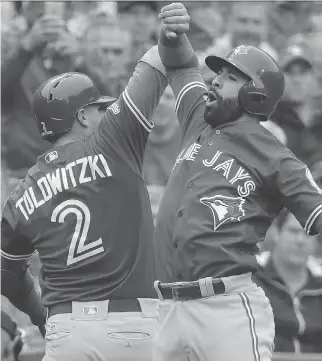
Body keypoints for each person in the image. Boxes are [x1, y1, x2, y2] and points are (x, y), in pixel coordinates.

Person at [152, 3, 322, 361]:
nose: (214, 80)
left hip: (225, 308)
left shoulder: (275, 156)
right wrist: (173, 35)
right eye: (218, 73)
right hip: (166, 307)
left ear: (255, 93)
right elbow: (181, 64)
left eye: (230, 76)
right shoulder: (199, 119)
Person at [1, 36, 170, 360]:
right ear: (81, 117)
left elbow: (6, 275)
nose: (107, 113)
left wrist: (41, 317)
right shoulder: (114, 145)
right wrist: (168, 33)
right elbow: (155, 61)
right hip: (133, 326)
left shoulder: (22, 192)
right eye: (100, 108)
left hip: (68, 331)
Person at [254, 209, 322, 354]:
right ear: (276, 233)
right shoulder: (250, 278)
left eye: (308, 234)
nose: (300, 240)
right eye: (293, 231)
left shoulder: (319, 283)